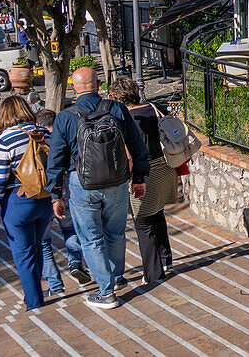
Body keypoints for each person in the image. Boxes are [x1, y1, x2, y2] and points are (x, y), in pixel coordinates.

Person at [46, 67, 150, 310]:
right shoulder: (116, 108)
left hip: (81, 184)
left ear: (73, 88)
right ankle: (116, 277)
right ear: (99, 84)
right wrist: (139, 177)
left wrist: (55, 194)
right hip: (116, 181)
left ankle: (106, 293)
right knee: (116, 233)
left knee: (91, 239)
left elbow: (56, 159)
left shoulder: (65, 117)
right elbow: (137, 145)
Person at [0, 96, 54, 310]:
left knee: (24, 255)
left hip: (17, 202)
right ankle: (36, 295)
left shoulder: (4, 140)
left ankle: (34, 303)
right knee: (38, 247)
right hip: (44, 199)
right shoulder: (43, 134)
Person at [109, 78, 176, 285]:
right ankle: (166, 260)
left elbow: (128, 154)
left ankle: (153, 273)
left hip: (143, 172)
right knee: (157, 214)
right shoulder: (155, 108)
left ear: (119, 98)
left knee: (143, 222)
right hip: (164, 167)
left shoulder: (125, 118)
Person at [35, 108, 90, 296]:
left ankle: (55, 284)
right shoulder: (59, 137)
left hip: (40, 196)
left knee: (43, 243)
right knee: (69, 229)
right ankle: (75, 262)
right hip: (62, 191)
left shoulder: (33, 140)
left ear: (38, 124)